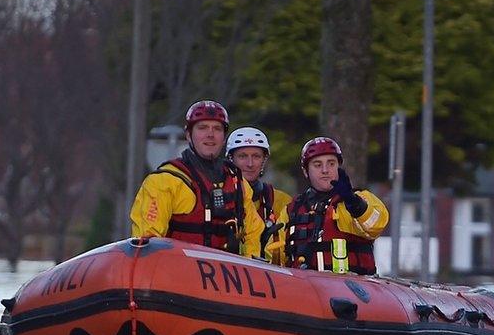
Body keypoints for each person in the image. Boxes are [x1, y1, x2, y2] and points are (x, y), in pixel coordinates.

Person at [129, 100, 253, 253]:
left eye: (217, 129)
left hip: (226, 274)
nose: (210, 135)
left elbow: (253, 236)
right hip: (177, 272)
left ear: (224, 138)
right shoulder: (164, 181)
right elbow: (147, 239)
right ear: (188, 135)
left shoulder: (238, 184)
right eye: (202, 128)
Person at [274, 135, 389, 275]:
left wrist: (353, 203)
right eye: (317, 165)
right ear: (305, 171)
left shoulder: (358, 199)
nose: (325, 170)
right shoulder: (292, 209)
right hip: (304, 291)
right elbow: (274, 254)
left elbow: (377, 224)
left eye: (331, 163)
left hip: (351, 290)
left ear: (339, 167)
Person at [226, 125, 290, 263]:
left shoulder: (280, 201)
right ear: (231, 159)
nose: (250, 163)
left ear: (264, 160)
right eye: (242, 156)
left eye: (256, 156)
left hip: (271, 277)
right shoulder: (221, 197)